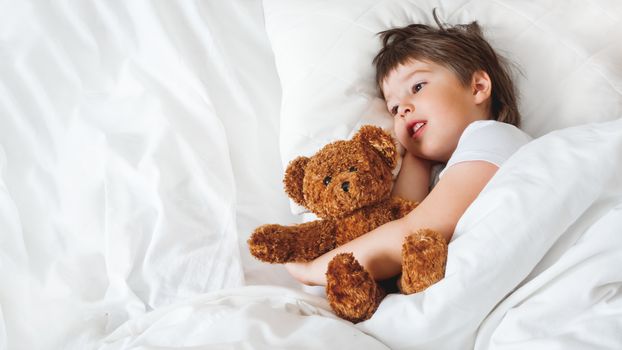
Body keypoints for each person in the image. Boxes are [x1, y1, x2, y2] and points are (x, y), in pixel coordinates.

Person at [285, 12, 532, 287]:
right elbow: (398, 214)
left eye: (417, 86)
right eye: (393, 108)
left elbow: (416, 229)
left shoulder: (493, 137)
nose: (402, 109)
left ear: (477, 87)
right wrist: (417, 155)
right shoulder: (446, 170)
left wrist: (313, 272)